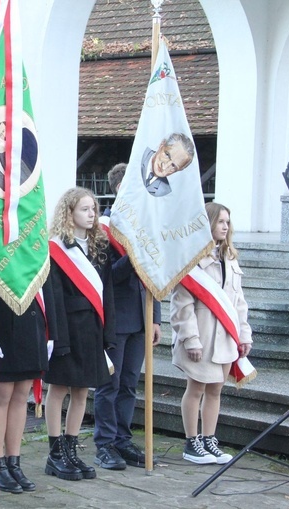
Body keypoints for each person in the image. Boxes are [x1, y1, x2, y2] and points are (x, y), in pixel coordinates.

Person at [170, 202, 252, 464]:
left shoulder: (230, 257)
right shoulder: (192, 259)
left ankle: (209, 439)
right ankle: (192, 442)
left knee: (216, 390)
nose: (225, 226)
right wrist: (191, 339)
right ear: (208, 223)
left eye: (228, 221)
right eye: (220, 221)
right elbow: (181, 306)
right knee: (196, 389)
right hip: (201, 337)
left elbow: (239, 301)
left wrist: (244, 334)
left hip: (226, 337)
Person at [44, 187, 115, 481]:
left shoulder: (99, 246)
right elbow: (53, 296)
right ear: (69, 213)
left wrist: (107, 333)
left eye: (93, 209)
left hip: (92, 329)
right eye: (85, 209)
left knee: (82, 390)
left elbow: (106, 291)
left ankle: (72, 448)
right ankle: (55, 452)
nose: (91, 214)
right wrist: (57, 338)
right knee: (59, 389)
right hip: (67, 328)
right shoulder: (56, 249)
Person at [93, 164, 161, 470]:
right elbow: (108, 277)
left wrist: (156, 317)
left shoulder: (144, 225)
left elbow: (155, 274)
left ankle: (122, 439)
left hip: (141, 316)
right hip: (116, 316)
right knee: (110, 383)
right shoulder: (104, 228)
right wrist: (134, 253)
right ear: (120, 188)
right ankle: (104, 443)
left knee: (130, 383)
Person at [0, 264, 56, 493]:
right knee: (1, 396)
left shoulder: (33, 239)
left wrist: (52, 332)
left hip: (32, 326)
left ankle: (14, 461)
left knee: (22, 395)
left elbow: (47, 286)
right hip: (1, 327)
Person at [141, 132, 195, 197]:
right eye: (167, 155)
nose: (164, 167)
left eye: (173, 166)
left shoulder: (166, 191)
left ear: (179, 170)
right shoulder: (137, 158)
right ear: (162, 145)